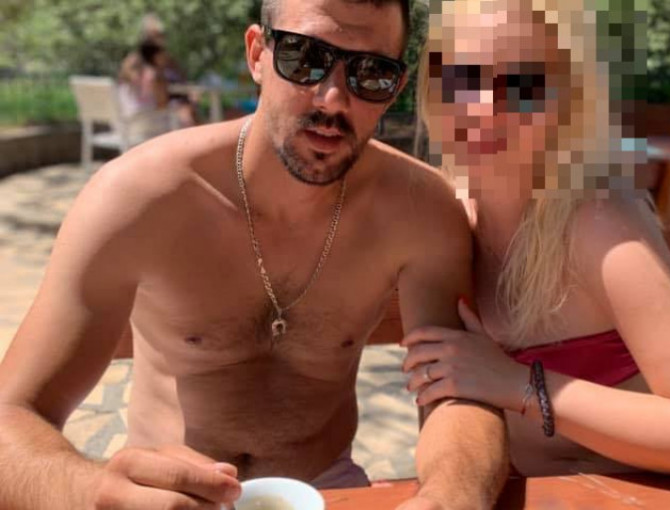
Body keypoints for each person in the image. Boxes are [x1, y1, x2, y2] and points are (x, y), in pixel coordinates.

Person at [0, 1, 508, 509]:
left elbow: (455, 390)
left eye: (370, 73)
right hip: (168, 494)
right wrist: (90, 489)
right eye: (305, 57)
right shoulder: (138, 199)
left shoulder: (419, 210)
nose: (333, 98)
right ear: (257, 54)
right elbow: (10, 414)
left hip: (327, 489)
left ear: (395, 88)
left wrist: (453, 494)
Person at [403, 0, 670, 483]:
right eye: (463, 76)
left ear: (570, 100)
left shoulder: (597, 225)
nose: (483, 108)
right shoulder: (443, 221)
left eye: (523, 85)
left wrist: (518, 384)